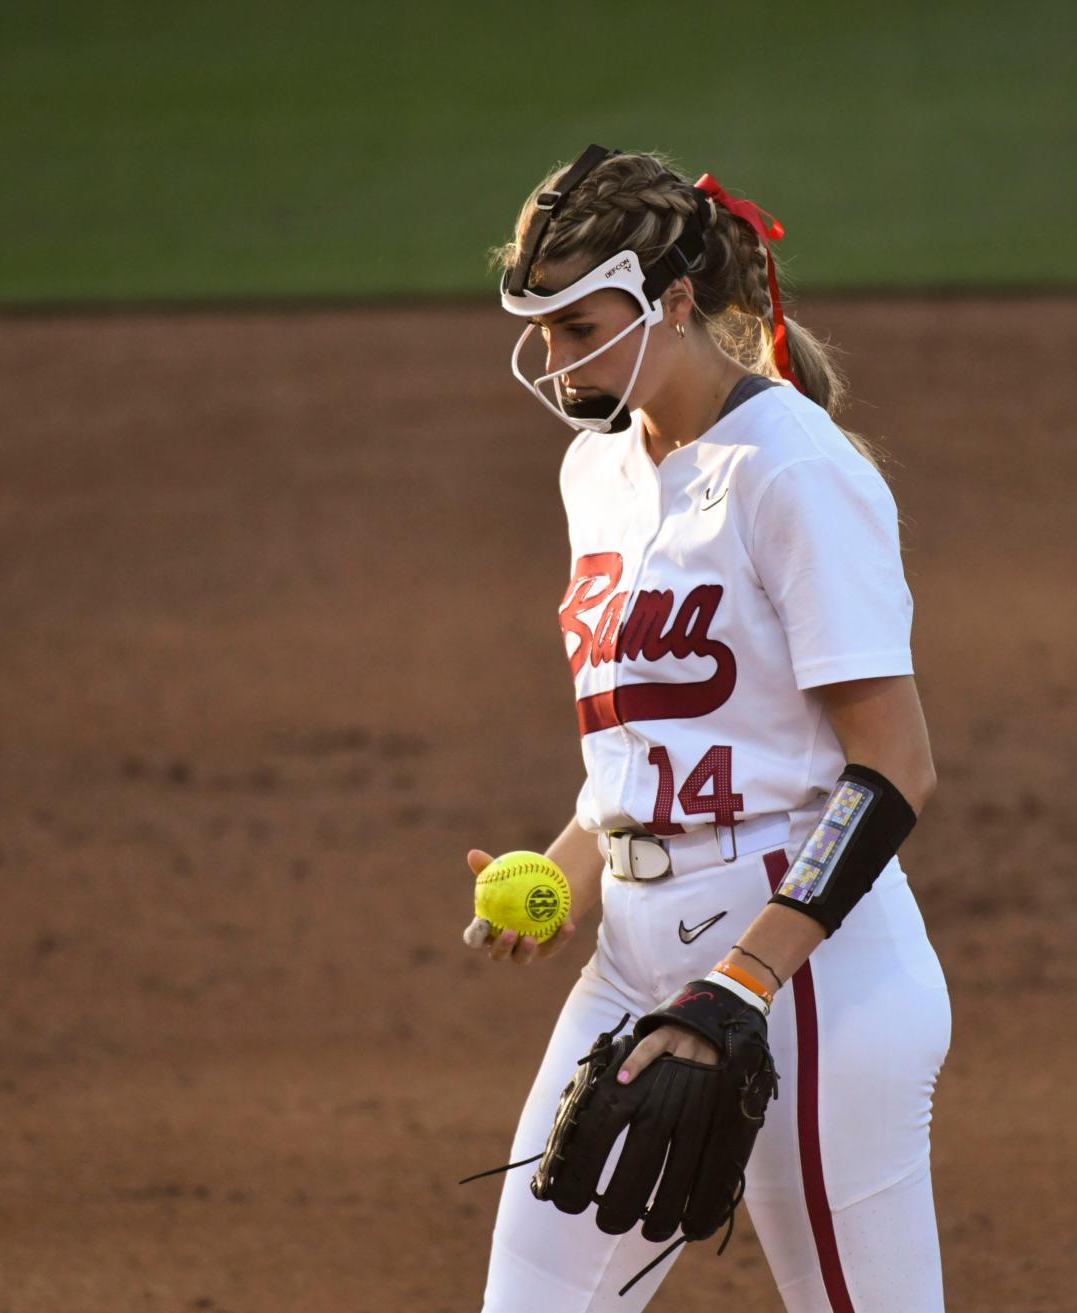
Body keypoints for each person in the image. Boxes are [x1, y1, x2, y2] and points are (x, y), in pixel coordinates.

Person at [462, 146, 951, 1313]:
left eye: (579, 325)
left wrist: (742, 980)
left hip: (807, 977)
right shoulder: (599, 470)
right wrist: (574, 872)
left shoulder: (794, 471)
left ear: (673, 300)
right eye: (539, 327)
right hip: (636, 961)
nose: (553, 357)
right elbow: (640, 752)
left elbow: (896, 765)